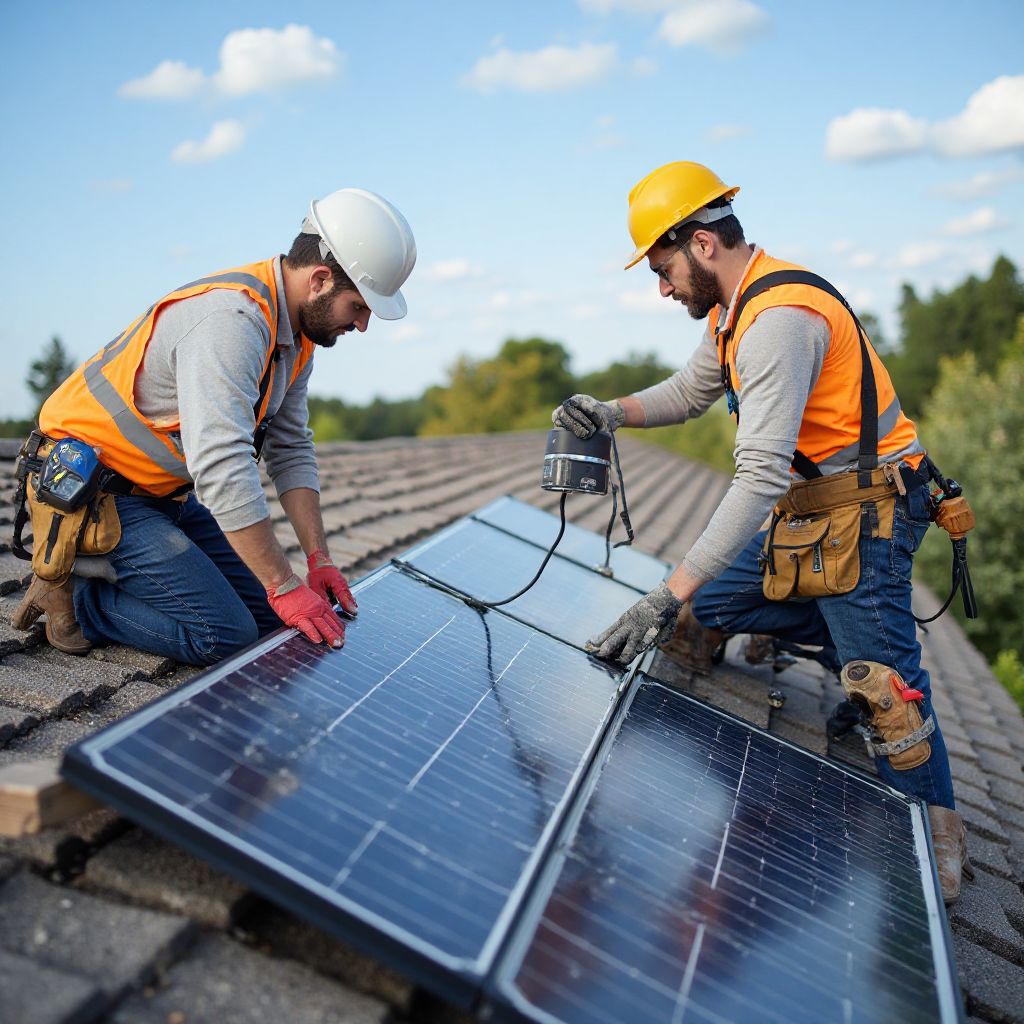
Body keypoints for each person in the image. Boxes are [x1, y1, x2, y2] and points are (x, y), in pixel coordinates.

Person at [551, 161, 972, 903]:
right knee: (713, 607)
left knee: (886, 694)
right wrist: (613, 413)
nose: (662, 288)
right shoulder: (734, 310)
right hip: (816, 514)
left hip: (869, 514)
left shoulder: (778, 320)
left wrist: (666, 593)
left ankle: (935, 827)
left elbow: (759, 477)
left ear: (701, 242)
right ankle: (854, 632)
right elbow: (690, 392)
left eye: (662, 269)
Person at [13, 188, 416, 668]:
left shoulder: (297, 338)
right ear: (320, 280)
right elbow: (222, 465)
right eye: (359, 306)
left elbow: (289, 448)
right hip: (94, 494)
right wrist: (284, 584)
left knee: (271, 621)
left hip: (163, 496)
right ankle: (80, 596)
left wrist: (318, 559)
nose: (363, 324)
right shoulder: (232, 323)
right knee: (225, 636)